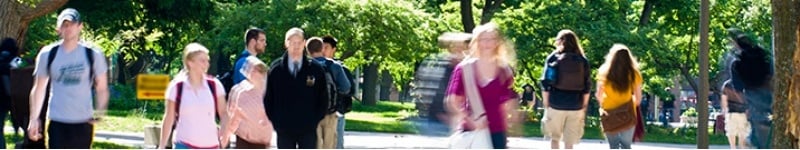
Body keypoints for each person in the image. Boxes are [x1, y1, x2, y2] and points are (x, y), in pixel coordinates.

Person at [27, 8, 110, 149]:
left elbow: (102, 88)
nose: (68, 28)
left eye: (72, 24)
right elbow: (39, 89)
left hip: (83, 122)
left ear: (80, 27)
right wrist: (34, 119)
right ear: (58, 29)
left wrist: (100, 110)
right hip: (57, 121)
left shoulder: (93, 55)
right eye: (64, 25)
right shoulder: (48, 54)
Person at [446, 22, 520, 149]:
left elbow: (507, 99)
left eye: (492, 39)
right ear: (477, 42)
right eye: (484, 39)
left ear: (497, 42)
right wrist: (471, 121)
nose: (488, 43)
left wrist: (512, 115)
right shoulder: (465, 68)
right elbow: (453, 101)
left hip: (497, 131)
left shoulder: (503, 69)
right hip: (472, 130)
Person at [264, 28, 330, 149]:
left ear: (304, 43)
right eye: (292, 42)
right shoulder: (276, 69)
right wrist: (276, 122)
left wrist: (314, 120)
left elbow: (323, 98)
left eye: (299, 42)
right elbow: (268, 98)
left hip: (308, 128)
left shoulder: (315, 69)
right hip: (284, 128)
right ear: (286, 43)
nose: (296, 46)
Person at [158, 43, 230, 149]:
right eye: (202, 60)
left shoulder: (214, 85)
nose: (206, 64)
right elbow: (169, 117)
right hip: (184, 144)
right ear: (190, 62)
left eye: (207, 61)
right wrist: (162, 146)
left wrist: (225, 133)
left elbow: (224, 113)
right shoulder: (177, 87)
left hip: (211, 145)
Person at [540, 29, 591, 149]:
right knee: (569, 143)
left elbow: (546, 83)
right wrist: (584, 106)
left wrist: (546, 102)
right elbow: (587, 86)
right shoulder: (582, 60)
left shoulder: (553, 58)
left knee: (555, 138)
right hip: (575, 105)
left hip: (556, 103)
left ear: (561, 41)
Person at [727, 28, 773, 149]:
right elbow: (770, 73)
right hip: (769, 92)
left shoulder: (736, 63)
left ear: (735, 43)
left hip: (753, 97)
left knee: (759, 134)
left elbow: (738, 89)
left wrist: (745, 106)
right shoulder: (761, 53)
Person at [413, 32, 470, 125]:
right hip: (437, 120)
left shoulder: (468, 66)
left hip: (460, 120)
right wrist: (440, 114)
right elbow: (427, 89)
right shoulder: (438, 63)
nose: (458, 49)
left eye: (462, 46)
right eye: (455, 46)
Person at [595, 44, 642, 149]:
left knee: (613, 145)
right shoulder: (634, 73)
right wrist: (631, 103)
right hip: (628, 113)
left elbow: (599, 94)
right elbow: (638, 98)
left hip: (609, 112)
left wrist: (603, 105)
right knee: (626, 145)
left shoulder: (604, 72)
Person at [308, 36, 350, 149]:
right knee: (330, 144)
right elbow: (346, 87)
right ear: (322, 49)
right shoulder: (334, 66)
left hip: (311, 114)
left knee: (314, 145)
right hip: (330, 112)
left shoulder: (305, 66)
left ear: (308, 50)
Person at [224, 56, 272, 148]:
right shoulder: (239, 91)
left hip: (262, 141)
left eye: (259, 70)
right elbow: (232, 115)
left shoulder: (270, 90)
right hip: (244, 139)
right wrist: (227, 136)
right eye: (252, 70)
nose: (256, 73)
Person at [322, 35, 354, 149]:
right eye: (321, 47)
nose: (323, 50)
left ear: (333, 49)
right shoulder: (315, 66)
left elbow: (349, 90)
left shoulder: (341, 68)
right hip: (319, 113)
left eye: (326, 47)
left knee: (337, 144)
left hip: (336, 113)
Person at [0, 37, 20, 149]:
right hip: (15, 98)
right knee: (18, 123)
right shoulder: (15, 60)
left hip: (0, 98)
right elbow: (25, 67)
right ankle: (19, 143)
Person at [720, 79, 749, 149]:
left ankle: (733, 147)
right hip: (743, 112)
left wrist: (724, 110)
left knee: (731, 132)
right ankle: (741, 147)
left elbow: (724, 98)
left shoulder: (727, 84)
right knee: (743, 133)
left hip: (731, 112)